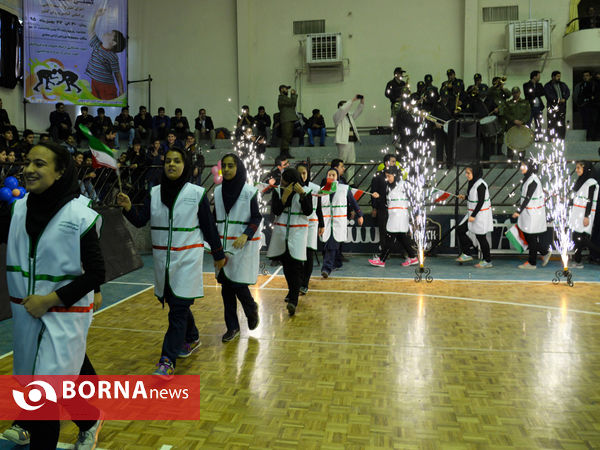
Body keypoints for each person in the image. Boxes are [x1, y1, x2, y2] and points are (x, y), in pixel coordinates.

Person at [1, 141, 105, 448]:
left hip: (63, 316)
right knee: (40, 384)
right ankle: (86, 418)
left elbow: (97, 272)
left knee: (46, 395)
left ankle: (41, 424)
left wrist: (50, 299)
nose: (29, 169)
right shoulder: (17, 208)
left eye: (40, 164)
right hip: (26, 316)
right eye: (28, 162)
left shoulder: (79, 214)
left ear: (60, 172)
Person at [117, 147, 226, 375]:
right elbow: (139, 221)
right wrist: (128, 208)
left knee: (177, 309)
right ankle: (193, 337)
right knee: (179, 302)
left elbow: (209, 227)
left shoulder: (196, 193)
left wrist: (218, 254)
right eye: (168, 161)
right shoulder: (154, 193)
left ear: (185, 165)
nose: (172, 165)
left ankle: (167, 360)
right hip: (162, 262)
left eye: (177, 161)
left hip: (187, 260)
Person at [214, 154, 262, 341]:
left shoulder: (249, 192)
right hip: (222, 246)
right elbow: (213, 217)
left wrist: (246, 234)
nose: (226, 169)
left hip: (241, 247)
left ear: (238, 168)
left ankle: (251, 308)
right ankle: (232, 327)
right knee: (226, 288)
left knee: (238, 284)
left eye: (230, 166)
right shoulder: (217, 191)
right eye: (223, 166)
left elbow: (256, 217)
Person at [267, 168, 312, 316]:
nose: (282, 184)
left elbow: (308, 211)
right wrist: (284, 198)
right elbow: (276, 211)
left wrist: (303, 195)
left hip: (298, 234)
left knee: (296, 266)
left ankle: (293, 299)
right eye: (282, 181)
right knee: (287, 266)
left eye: (285, 182)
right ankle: (292, 291)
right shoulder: (278, 191)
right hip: (281, 235)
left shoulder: (306, 191)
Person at [317, 168, 363, 278]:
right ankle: (336, 263)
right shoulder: (322, 190)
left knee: (331, 245)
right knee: (330, 245)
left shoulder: (344, 189)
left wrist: (360, 214)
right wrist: (319, 223)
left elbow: (353, 202)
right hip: (327, 223)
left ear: (337, 176)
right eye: (329, 175)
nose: (331, 177)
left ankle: (326, 268)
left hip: (338, 222)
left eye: (333, 175)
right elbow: (318, 207)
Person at [369, 166, 418, 267]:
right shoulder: (388, 186)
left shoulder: (404, 185)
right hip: (394, 215)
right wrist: (378, 197)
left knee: (390, 237)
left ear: (395, 175)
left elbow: (414, 198)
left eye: (389, 176)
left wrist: (416, 213)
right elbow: (387, 201)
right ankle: (413, 257)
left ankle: (382, 260)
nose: (388, 178)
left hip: (399, 215)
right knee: (401, 237)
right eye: (386, 176)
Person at [512, 160, 551, 269]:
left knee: (531, 237)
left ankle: (532, 262)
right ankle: (544, 252)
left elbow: (528, 198)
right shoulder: (529, 178)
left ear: (530, 167)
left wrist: (518, 211)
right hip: (529, 212)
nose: (521, 167)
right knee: (529, 237)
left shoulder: (533, 180)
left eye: (524, 166)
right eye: (521, 165)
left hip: (533, 213)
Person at [455, 165, 493, 268]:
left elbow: (480, 202)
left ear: (475, 173)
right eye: (466, 173)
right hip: (473, 213)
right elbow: (474, 197)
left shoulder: (481, 184)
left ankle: (487, 260)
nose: (466, 175)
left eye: (468, 173)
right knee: (460, 230)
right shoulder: (473, 183)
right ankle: (467, 253)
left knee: (481, 237)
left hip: (480, 215)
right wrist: (465, 197)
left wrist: (473, 215)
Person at [85, 7, 126, 100]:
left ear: (114, 43)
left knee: (107, 103)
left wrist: (121, 90)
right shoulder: (97, 45)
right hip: (94, 82)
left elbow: (117, 74)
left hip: (107, 87)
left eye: (110, 34)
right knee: (96, 102)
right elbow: (91, 31)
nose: (106, 33)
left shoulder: (113, 56)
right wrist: (96, 16)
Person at [569, 161, 600, 268]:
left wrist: (587, 216)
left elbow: (590, 200)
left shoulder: (591, 182)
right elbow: (578, 198)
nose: (577, 170)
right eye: (576, 167)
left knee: (581, 239)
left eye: (579, 168)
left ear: (586, 168)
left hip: (584, 215)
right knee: (578, 239)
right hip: (578, 214)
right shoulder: (581, 181)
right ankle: (577, 261)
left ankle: (579, 260)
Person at [296, 162, 320, 295]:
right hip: (298, 223)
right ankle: (298, 281)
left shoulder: (315, 188)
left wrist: (321, 224)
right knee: (299, 255)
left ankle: (305, 283)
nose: (302, 176)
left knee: (309, 253)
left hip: (311, 223)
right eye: (299, 173)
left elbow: (320, 208)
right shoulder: (292, 187)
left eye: (304, 173)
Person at [333, 96, 363, 182]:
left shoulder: (349, 116)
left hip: (351, 141)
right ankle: (338, 180)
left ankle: (350, 182)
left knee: (351, 162)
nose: (348, 107)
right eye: (346, 106)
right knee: (341, 162)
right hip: (343, 142)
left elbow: (358, 111)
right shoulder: (337, 116)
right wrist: (352, 100)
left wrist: (361, 103)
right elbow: (343, 110)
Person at [500, 87, 531, 159]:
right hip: (511, 127)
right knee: (511, 144)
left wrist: (522, 121)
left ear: (520, 93)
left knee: (522, 144)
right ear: (512, 94)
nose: (515, 94)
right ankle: (510, 161)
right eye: (514, 93)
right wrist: (514, 120)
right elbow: (506, 113)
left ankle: (521, 161)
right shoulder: (508, 103)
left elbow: (528, 114)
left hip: (522, 127)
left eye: (517, 92)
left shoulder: (525, 102)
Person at [544, 71, 570, 140]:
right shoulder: (547, 85)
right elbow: (548, 96)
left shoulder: (563, 84)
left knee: (561, 123)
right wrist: (557, 100)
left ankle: (561, 138)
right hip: (552, 107)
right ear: (553, 77)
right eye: (557, 76)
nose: (559, 78)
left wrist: (564, 98)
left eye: (559, 76)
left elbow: (568, 92)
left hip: (562, 107)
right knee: (552, 123)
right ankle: (551, 139)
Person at [573, 70, 598, 141]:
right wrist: (579, 104)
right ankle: (586, 138)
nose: (585, 77)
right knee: (585, 123)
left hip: (593, 107)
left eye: (587, 75)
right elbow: (575, 96)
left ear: (590, 76)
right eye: (584, 76)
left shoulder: (595, 85)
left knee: (593, 123)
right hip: (583, 107)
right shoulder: (580, 85)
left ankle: (593, 139)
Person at [523, 70, 546, 135]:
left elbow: (543, 93)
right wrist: (536, 92)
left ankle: (538, 137)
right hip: (530, 107)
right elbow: (528, 94)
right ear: (534, 77)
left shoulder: (539, 85)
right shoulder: (526, 85)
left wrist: (534, 92)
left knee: (538, 123)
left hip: (538, 107)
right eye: (538, 76)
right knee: (528, 122)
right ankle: (528, 136)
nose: (539, 77)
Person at [277, 84, 297, 158]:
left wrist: (293, 96)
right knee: (286, 136)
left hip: (289, 118)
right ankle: (283, 153)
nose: (287, 90)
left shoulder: (286, 98)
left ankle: (285, 152)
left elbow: (293, 104)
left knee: (288, 136)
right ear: (281, 90)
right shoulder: (282, 98)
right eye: (286, 89)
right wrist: (293, 95)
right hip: (286, 119)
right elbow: (292, 102)